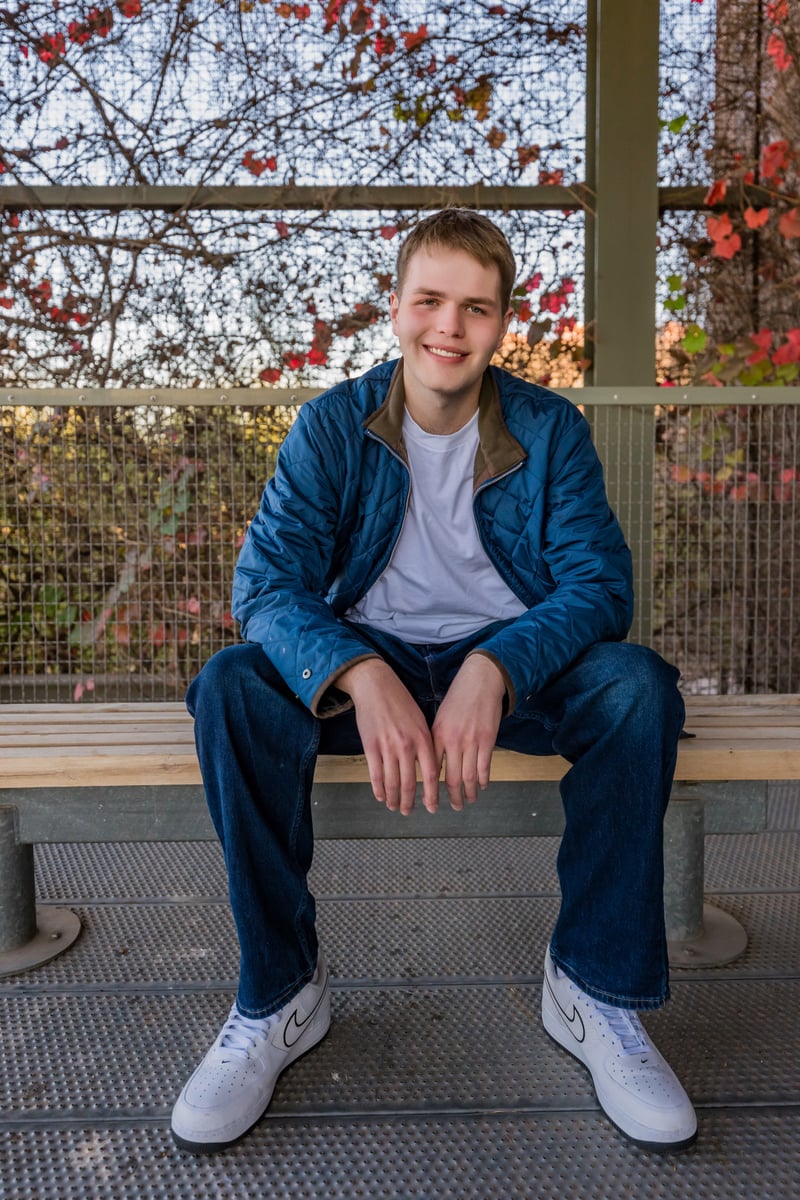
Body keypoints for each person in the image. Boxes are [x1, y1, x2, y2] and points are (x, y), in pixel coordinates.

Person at [171, 209, 696, 1155]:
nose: (449, 328)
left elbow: (597, 587)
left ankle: (592, 992)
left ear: (503, 324)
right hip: (367, 658)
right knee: (231, 688)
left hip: (510, 672)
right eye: (430, 301)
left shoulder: (549, 431)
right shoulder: (334, 425)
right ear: (397, 306)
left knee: (635, 688)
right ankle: (278, 1001)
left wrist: (497, 665)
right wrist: (356, 670)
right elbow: (265, 587)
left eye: (476, 308)